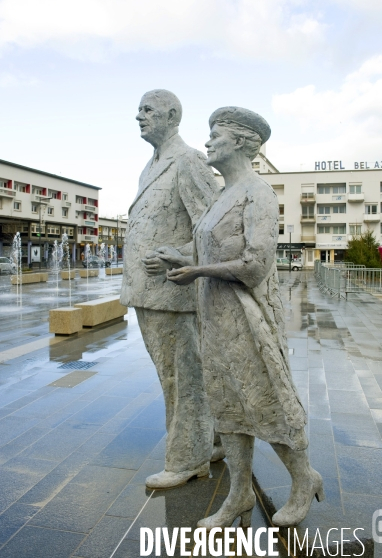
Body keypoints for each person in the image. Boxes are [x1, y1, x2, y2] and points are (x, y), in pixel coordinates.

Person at [164, 107, 324, 527]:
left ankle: (303, 478)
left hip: (246, 319)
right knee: (228, 407)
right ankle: (237, 497)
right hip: (214, 317)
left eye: (215, 135)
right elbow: (212, 249)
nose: (208, 142)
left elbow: (255, 265)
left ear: (239, 141)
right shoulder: (221, 194)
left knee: (266, 400)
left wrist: (198, 271)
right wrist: (182, 258)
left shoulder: (259, 193)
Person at [120, 89, 220, 489]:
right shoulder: (152, 164)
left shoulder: (189, 160)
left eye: (147, 110)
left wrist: (176, 255)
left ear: (172, 115)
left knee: (181, 379)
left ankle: (187, 460)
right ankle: (209, 441)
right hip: (149, 292)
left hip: (174, 292)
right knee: (177, 375)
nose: (138, 116)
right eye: (139, 109)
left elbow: (214, 226)